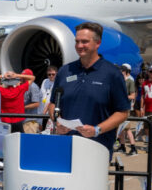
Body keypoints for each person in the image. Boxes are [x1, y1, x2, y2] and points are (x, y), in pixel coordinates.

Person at [49, 22, 129, 156]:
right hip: (65, 146)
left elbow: (123, 112)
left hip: (97, 148)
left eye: (84, 42)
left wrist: (97, 130)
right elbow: (53, 103)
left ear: (98, 43)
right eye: (77, 41)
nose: (79, 46)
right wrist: (56, 121)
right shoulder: (65, 71)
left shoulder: (112, 74)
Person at [115, 63, 138, 156]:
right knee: (121, 128)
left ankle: (133, 148)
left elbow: (133, 95)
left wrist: (122, 96)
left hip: (126, 108)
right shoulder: (119, 81)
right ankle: (122, 146)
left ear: (125, 72)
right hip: (118, 108)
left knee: (127, 128)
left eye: (122, 71)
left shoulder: (130, 81)